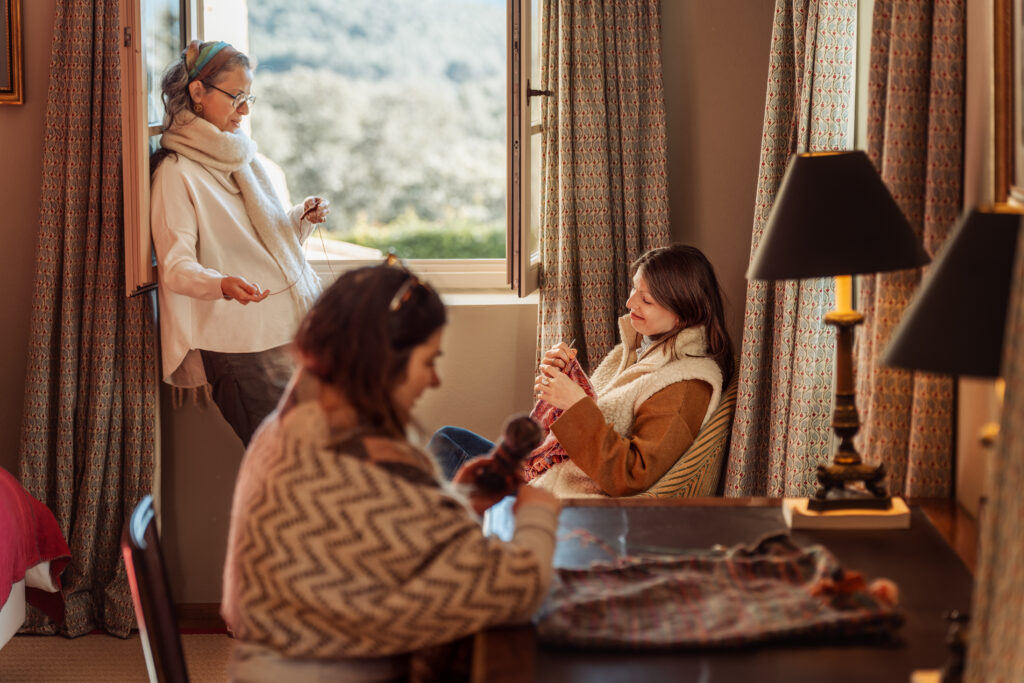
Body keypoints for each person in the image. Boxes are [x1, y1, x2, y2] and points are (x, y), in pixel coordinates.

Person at [221, 262, 561, 681]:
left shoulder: (287, 428)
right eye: (428, 361)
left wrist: (458, 501)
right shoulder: (367, 462)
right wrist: (539, 511)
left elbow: (381, 546)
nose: (434, 380)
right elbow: (516, 587)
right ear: (385, 361)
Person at [430, 244, 734, 497]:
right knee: (449, 439)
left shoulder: (685, 385)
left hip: (562, 499)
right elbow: (603, 413)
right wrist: (564, 381)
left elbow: (630, 474)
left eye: (647, 300)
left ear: (683, 314)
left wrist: (574, 403)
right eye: (633, 290)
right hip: (546, 476)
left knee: (444, 449)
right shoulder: (638, 352)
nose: (630, 303)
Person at [150, 40, 328, 446]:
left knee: (305, 465)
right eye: (237, 97)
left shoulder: (243, 160)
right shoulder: (176, 174)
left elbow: (263, 242)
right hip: (239, 344)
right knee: (282, 469)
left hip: (284, 331)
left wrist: (300, 218)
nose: (245, 110)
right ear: (198, 93)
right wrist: (221, 283)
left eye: (249, 98)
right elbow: (175, 265)